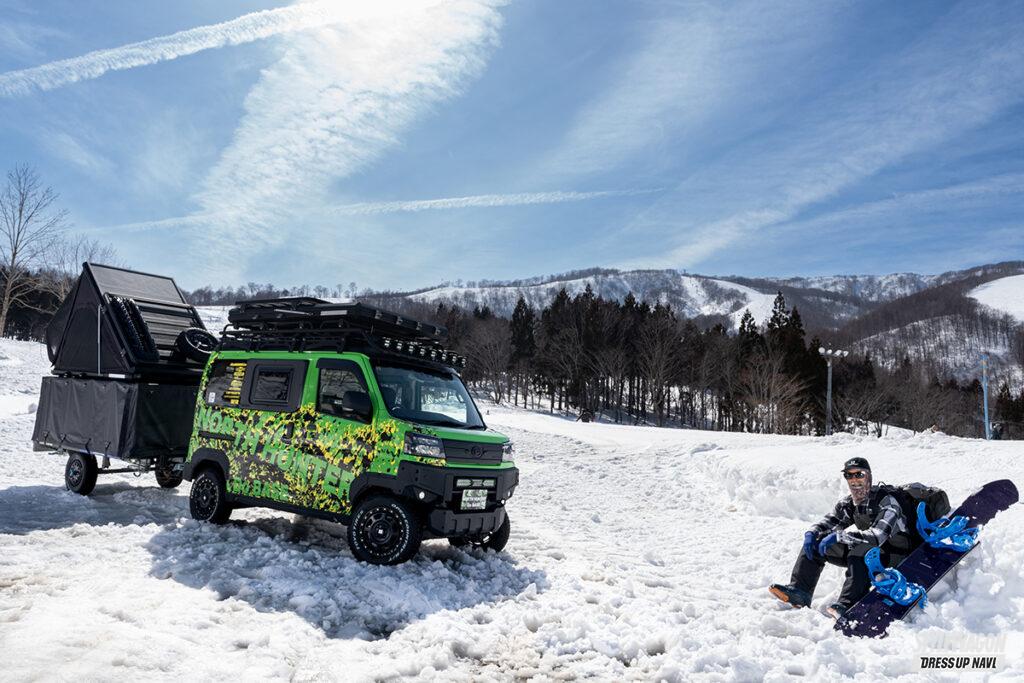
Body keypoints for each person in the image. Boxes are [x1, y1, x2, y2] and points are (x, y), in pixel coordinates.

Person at [768, 457, 914, 618]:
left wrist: (840, 536)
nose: (854, 480)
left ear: (868, 476)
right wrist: (812, 533)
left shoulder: (888, 502)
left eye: (859, 474)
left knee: (861, 547)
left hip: (897, 554)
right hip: (873, 552)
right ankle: (800, 591)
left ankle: (848, 605)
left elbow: (878, 536)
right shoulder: (850, 503)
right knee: (817, 541)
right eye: (849, 476)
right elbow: (830, 521)